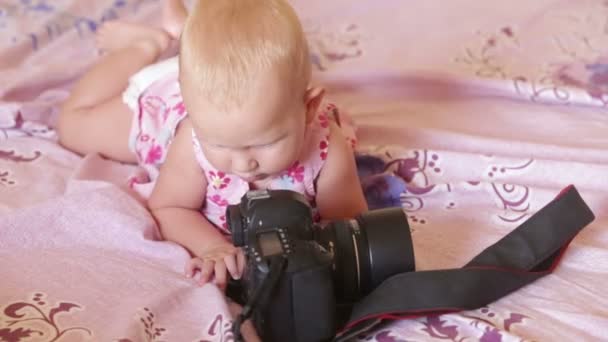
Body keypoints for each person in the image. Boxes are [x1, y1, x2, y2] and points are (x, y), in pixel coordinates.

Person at [57, 0, 368, 290]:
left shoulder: (327, 149)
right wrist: (212, 247)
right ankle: (147, 44)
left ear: (309, 108)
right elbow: (169, 207)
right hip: (172, 102)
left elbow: (346, 221)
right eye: (219, 145)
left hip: (218, 98)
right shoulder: (191, 139)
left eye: (267, 141)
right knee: (72, 126)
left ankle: (186, 33)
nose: (244, 164)